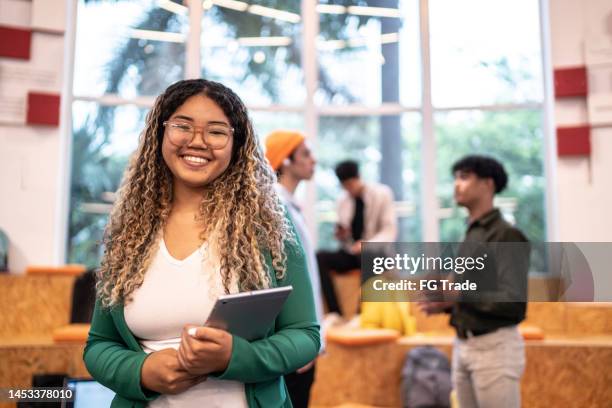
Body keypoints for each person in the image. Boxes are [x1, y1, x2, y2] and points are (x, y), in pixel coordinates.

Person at [83, 79, 320, 408]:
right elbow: (99, 345)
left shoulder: (268, 225)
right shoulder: (130, 231)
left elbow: (305, 335)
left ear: (236, 143)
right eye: (182, 126)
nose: (197, 142)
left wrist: (234, 357)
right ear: (161, 133)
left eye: (217, 131)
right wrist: (140, 371)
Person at [419, 155, 530, 408]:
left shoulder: (506, 234)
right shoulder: (471, 232)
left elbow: (513, 303)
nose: (457, 184)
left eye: (465, 177)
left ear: (488, 184)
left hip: (495, 350)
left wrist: (458, 295)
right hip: (463, 346)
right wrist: (445, 304)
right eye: (456, 178)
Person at [265, 130, 324, 408]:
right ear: (286, 161)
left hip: (299, 336)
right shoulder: (273, 206)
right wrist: (299, 340)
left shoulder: (290, 206)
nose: (313, 160)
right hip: (290, 341)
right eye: (306, 154)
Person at [317, 160, 398, 318]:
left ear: (359, 177)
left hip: (376, 252)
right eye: (345, 186)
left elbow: (390, 230)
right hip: (352, 252)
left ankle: (361, 315)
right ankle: (335, 314)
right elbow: (346, 237)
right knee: (319, 257)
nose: (349, 189)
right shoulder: (342, 200)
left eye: (351, 184)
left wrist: (367, 245)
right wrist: (342, 235)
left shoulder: (382, 194)